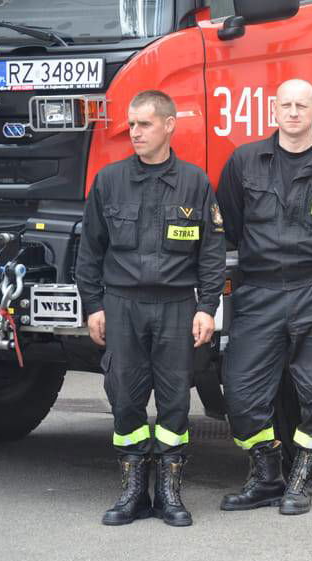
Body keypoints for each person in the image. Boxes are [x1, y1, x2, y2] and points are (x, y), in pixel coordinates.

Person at [76, 90, 226, 527]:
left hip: (177, 306)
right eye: (132, 125)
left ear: (168, 125)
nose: (135, 133)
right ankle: (132, 492)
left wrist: (207, 308)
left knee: (176, 402)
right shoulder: (110, 180)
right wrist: (93, 306)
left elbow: (211, 254)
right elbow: (90, 252)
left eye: (144, 124)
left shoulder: (195, 183)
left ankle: (169, 493)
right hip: (122, 306)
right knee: (124, 397)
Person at [216, 79, 312, 515]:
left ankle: (302, 478)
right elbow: (230, 226)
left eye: (302, 106)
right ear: (273, 110)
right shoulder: (244, 161)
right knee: (240, 391)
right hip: (260, 292)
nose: (293, 113)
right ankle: (267, 474)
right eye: (286, 105)